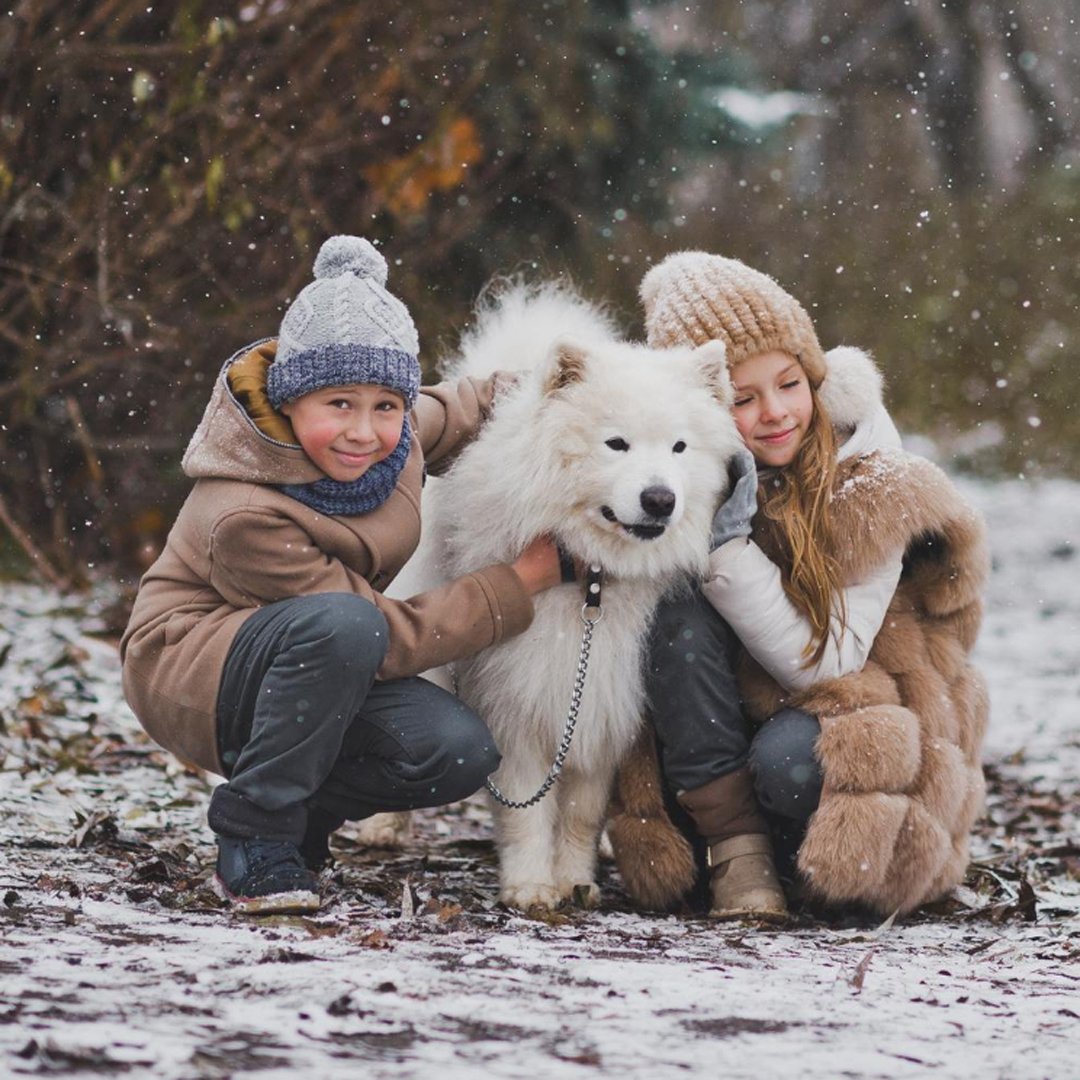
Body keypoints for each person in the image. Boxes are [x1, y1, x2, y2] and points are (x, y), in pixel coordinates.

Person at [120, 235, 561, 914]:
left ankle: (302, 820)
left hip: (320, 655)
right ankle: (254, 835)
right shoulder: (242, 511)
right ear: (290, 399)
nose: (364, 431)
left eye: (385, 405)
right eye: (339, 405)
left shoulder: (396, 437)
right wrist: (519, 581)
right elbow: (381, 635)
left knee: (457, 751)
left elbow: (472, 403)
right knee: (347, 623)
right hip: (195, 668)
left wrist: (575, 389)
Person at [607, 252, 989, 922]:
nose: (776, 413)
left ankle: (813, 868)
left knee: (789, 761)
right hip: (720, 738)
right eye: (743, 399)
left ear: (814, 374)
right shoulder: (677, 477)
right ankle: (739, 857)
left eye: (789, 383)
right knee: (673, 612)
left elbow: (831, 662)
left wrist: (728, 550)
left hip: (851, 718)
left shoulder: (875, 481)